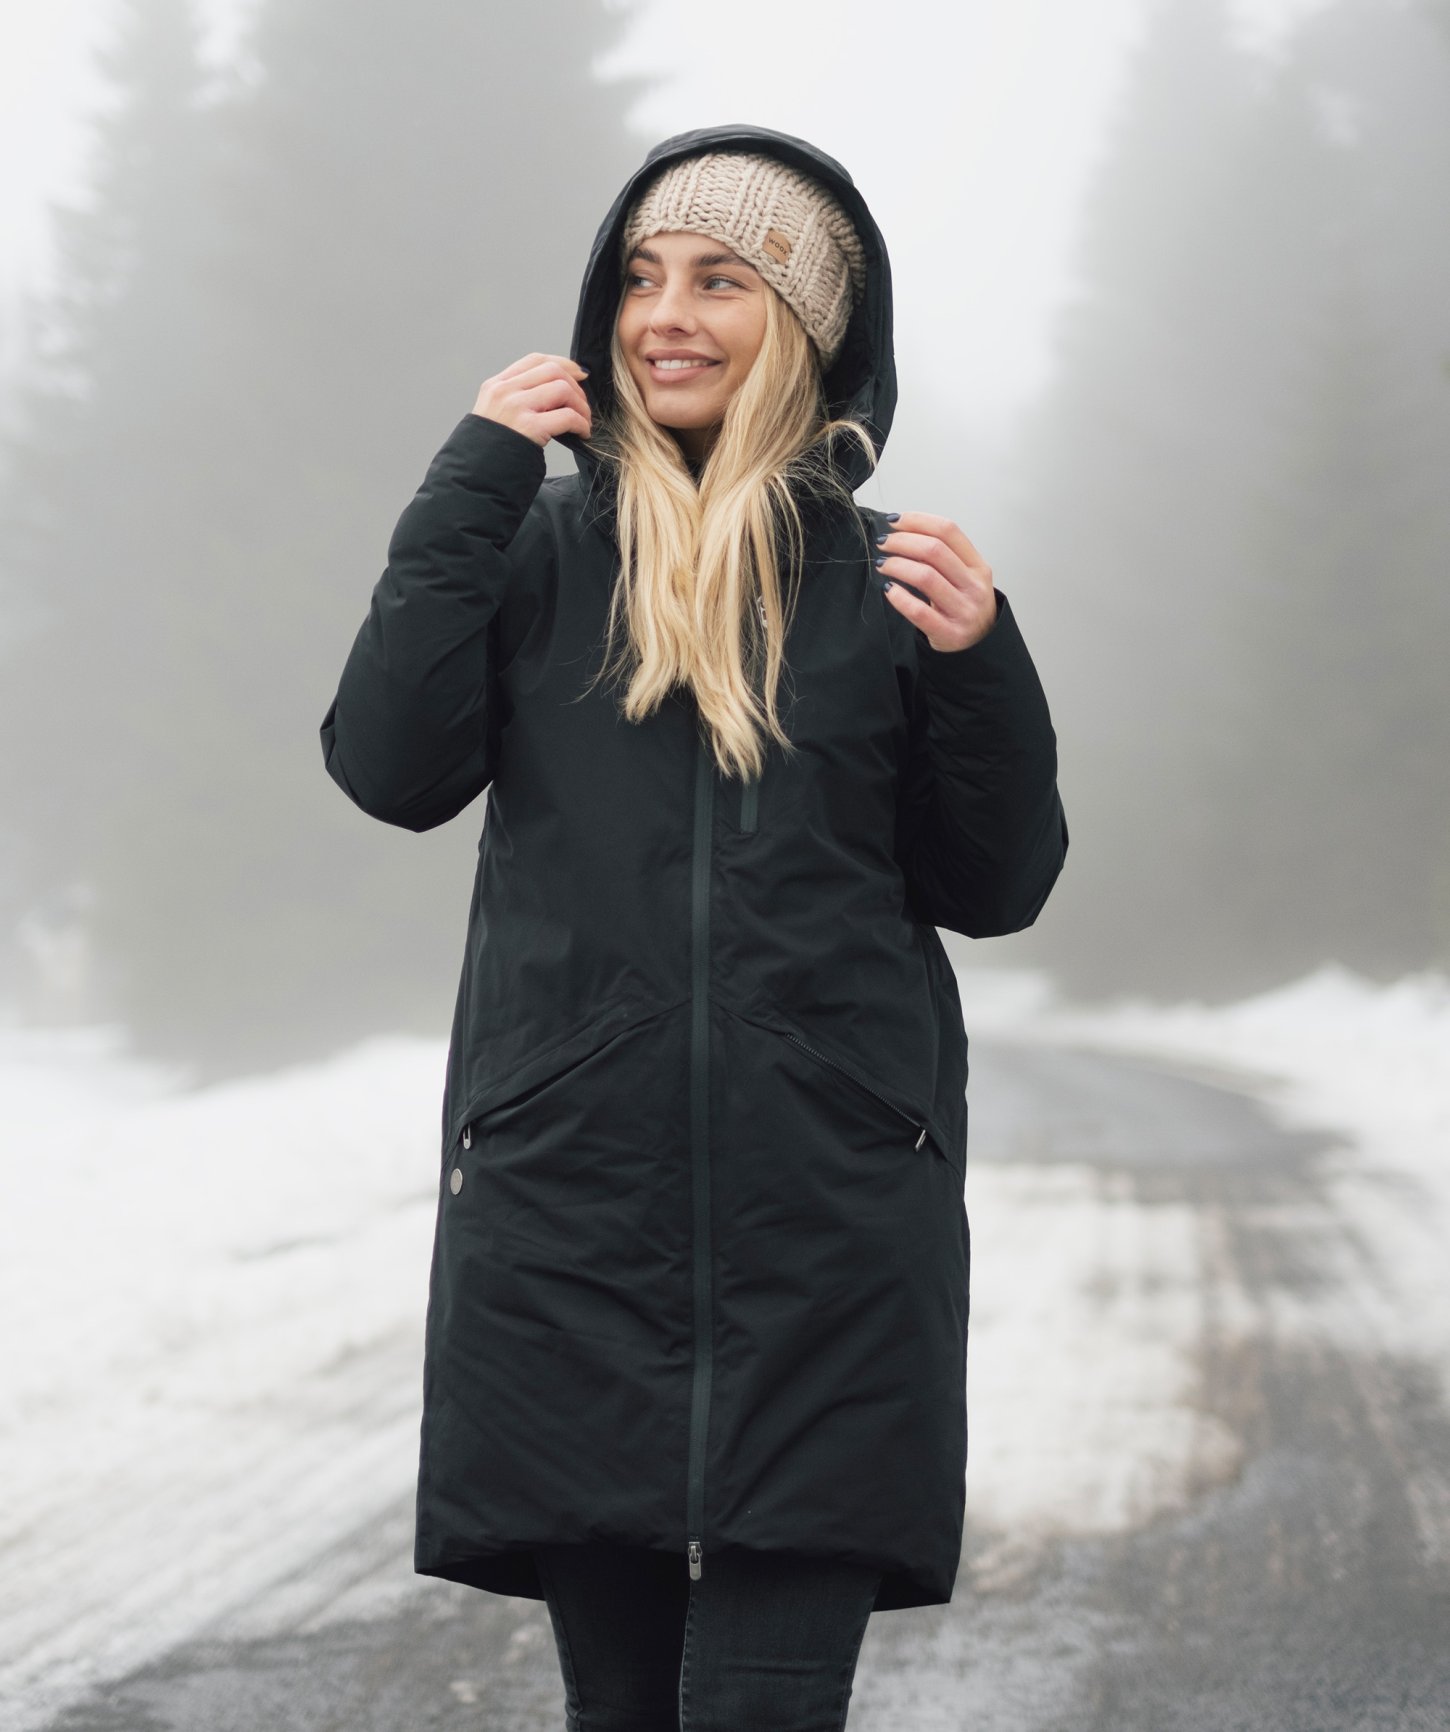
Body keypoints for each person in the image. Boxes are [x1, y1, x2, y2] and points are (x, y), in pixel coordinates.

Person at [320, 123, 1068, 1732]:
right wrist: (468, 483)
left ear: (802, 326)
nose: (664, 314)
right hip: (569, 1219)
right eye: (641, 277)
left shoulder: (887, 581)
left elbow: (995, 886)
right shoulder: (531, 551)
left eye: (720, 280)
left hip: (830, 1233)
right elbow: (390, 769)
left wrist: (982, 668)